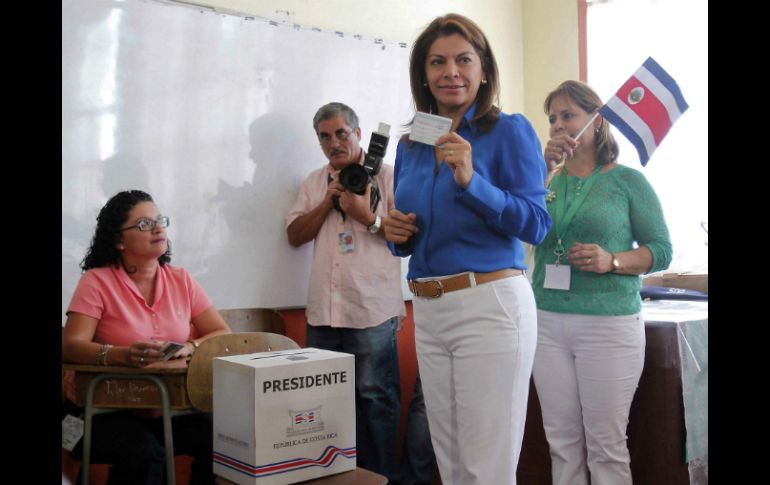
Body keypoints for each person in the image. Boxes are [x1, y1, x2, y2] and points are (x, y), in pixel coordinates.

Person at [382, 14, 552, 485]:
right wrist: (399, 234)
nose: (450, 72)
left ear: (482, 70)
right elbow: (419, 232)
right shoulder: (413, 142)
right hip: (430, 307)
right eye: (437, 62)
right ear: (423, 74)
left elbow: (537, 224)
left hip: (490, 305)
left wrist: (471, 181)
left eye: (463, 60)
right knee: (451, 464)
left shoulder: (509, 130)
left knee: (487, 469)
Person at [532, 80, 673, 485]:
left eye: (568, 116)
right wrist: (542, 172)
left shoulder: (628, 181)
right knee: (560, 441)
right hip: (546, 321)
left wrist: (612, 260)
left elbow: (660, 249)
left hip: (608, 324)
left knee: (606, 445)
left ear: (596, 122)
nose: (558, 125)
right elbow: (518, 231)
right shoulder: (543, 180)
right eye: (553, 118)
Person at [62, 189, 232, 485]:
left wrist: (189, 346)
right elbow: (71, 346)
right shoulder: (96, 281)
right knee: (143, 454)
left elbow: (221, 333)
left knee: (222, 437)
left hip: (164, 409)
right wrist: (121, 355)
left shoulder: (181, 279)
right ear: (118, 240)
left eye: (160, 220)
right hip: (98, 411)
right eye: (143, 224)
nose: (158, 228)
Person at [285, 102, 406, 482]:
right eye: (324, 136)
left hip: (371, 311)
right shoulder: (314, 182)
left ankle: (382, 479)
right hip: (323, 314)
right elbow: (294, 236)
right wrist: (328, 200)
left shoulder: (387, 176)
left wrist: (365, 215)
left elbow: (406, 234)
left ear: (357, 133)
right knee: (326, 410)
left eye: (340, 133)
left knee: (377, 406)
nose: (333, 142)